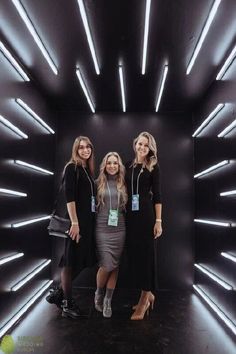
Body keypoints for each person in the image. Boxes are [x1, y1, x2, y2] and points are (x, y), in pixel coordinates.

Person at [46, 136, 96, 319]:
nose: (85, 150)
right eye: (81, 147)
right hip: (76, 224)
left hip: (87, 224)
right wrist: (75, 223)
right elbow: (70, 198)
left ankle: (59, 293)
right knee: (70, 260)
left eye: (87, 147)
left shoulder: (86, 169)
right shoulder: (72, 167)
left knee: (82, 260)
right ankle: (67, 303)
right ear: (76, 150)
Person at [125, 131, 162, 320]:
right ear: (135, 144)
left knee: (147, 258)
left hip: (147, 217)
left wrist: (158, 221)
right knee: (137, 258)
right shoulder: (128, 166)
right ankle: (148, 296)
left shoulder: (153, 167)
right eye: (140, 144)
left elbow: (158, 196)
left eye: (146, 145)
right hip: (130, 218)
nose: (142, 148)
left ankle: (143, 302)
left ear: (150, 149)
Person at [94, 152, 127, 318]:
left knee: (115, 266)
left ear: (119, 165)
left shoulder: (124, 184)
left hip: (119, 228)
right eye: (109, 163)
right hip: (102, 228)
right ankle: (98, 294)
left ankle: (108, 300)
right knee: (106, 264)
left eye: (115, 163)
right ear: (104, 166)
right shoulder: (97, 183)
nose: (112, 166)